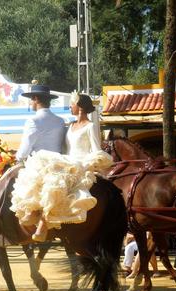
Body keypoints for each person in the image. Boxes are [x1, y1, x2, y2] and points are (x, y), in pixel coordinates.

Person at [11, 92, 113, 242]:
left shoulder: (90, 126)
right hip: (65, 160)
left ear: (79, 107)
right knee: (43, 176)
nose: (69, 106)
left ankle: (43, 224)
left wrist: (87, 164)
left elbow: (96, 150)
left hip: (80, 163)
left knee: (56, 183)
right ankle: (32, 211)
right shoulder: (69, 125)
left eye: (72, 104)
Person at [15, 84, 65, 160]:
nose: (30, 103)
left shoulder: (33, 121)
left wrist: (16, 157)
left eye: (31, 99)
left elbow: (23, 153)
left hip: (38, 165)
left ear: (36, 99)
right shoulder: (60, 120)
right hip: (57, 164)